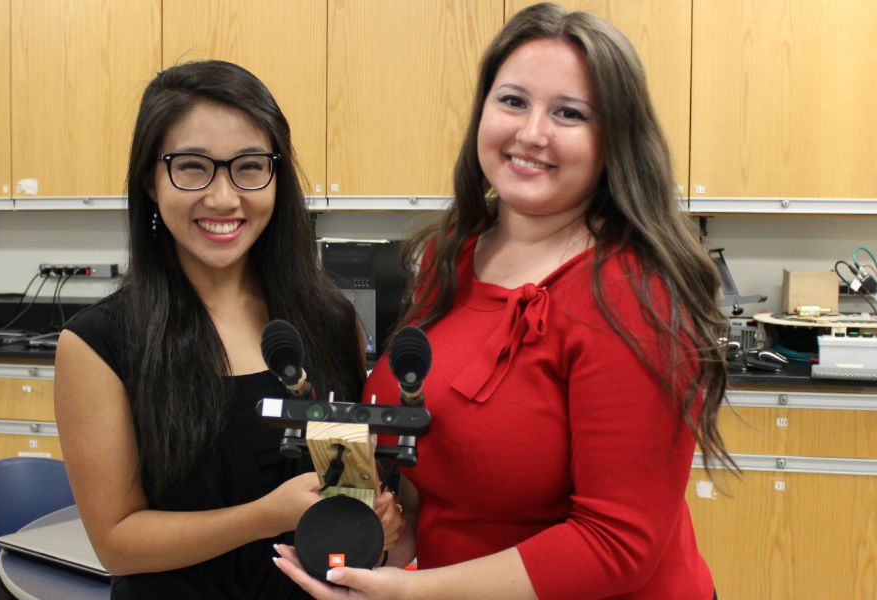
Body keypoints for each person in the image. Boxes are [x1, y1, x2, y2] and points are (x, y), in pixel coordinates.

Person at [273, 3, 729, 599]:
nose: (531, 132)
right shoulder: (455, 255)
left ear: (615, 139)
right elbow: (447, 473)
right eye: (513, 101)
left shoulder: (633, 294)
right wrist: (393, 528)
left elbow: (617, 544)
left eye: (569, 112)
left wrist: (413, 593)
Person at [54, 60, 401, 599]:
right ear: (150, 178)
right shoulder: (99, 345)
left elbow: (350, 483)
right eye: (192, 167)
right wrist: (265, 516)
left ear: (277, 176)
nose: (222, 198)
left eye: (249, 166)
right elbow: (117, 542)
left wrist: (374, 520)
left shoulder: (330, 319)